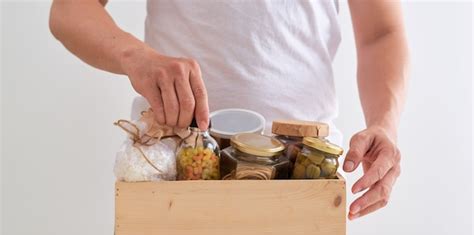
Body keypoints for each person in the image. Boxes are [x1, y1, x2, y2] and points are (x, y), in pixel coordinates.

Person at [49, 0, 409, 220]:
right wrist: (136, 56)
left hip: (304, 177)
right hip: (172, 168)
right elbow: (69, 9)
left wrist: (384, 125)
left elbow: (381, 31)